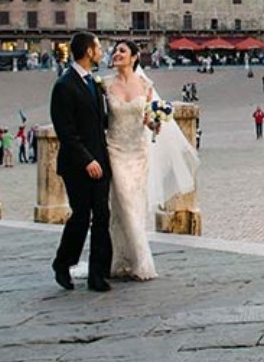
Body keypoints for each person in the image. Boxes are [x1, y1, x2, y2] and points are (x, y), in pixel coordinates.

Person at [105, 39, 200, 282]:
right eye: (115, 51)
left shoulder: (146, 85)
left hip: (138, 152)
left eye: (122, 51)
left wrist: (155, 124)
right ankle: (132, 259)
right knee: (120, 204)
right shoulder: (104, 84)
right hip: (115, 149)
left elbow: (147, 119)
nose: (117, 54)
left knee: (135, 204)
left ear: (134, 57)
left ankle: (130, 259)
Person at [51, 31, 113, 292]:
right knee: (81, 216)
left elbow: (101, 123)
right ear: (88, 51)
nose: (101, 51)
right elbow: (65, 131)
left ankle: (97, 274)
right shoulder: (64, 86)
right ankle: (62, 263)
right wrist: (87, 160)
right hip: (77, 165)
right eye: (98, 47)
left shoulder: (93, 82)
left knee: (102, 215)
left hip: (101, 160)